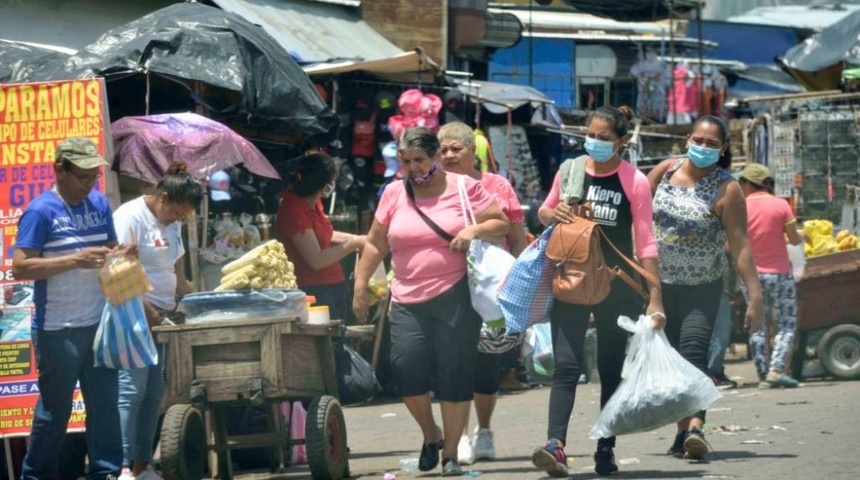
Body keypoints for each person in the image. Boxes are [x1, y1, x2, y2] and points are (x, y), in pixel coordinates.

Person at [352, 127, 509, 476]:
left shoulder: (465, 188)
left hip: (455, 294)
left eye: (419, 160)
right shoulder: (393, 193)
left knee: (454, 373)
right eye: (405, 161)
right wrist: (360, 283)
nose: (412, 167)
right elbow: (376, 243)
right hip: (406, 296)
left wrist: (472, 230)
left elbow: (500, 222)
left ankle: (451, 453)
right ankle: (430, 433)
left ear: (435, 156)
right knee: (406, 368)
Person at [533, 106, 664, 477]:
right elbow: (543, 211)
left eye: (604, 138)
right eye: (590, 134)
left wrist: (655, 299)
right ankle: (554, 445)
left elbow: (647, 243)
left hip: (616, 285)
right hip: (571, 279)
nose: (594, 142)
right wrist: (552, 213)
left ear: (621, 142)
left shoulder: (633, 181)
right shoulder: (571, 170)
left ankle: (605, 449)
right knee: (567, 365)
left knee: (609, 369)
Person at [648, 115, 764, 460]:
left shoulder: (727, 188)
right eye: (698, 140)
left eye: (712, 144)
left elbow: (740, 245)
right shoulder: (665, 170)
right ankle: (682, 433)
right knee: (670, 365)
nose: (703, 147)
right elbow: (637, 211)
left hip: (703, 287)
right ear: (686, 139)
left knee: (694, 357)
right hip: (658, 288)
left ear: (724, 148)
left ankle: (696, 426)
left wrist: (755, 296)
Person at [12, 137, 126, 480]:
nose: (90, 183)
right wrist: (75, 260)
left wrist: (124, 254)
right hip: (57, 330)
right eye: (83, 176)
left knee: (105, 407)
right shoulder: (41, 211)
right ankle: (36, 475)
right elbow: (21, 267)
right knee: (54, 412)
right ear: (59, 170)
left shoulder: (99, 204)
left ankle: (105, 472)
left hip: (98, 323)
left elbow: (110, 250)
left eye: (94, 176)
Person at [437, 122, 528, 466]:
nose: (448, 155)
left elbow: (516, 236)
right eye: (443, 150)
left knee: (488, 359)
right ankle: (459, 435)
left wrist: (520, 283)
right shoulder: (434, 187)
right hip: (450, 283)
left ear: (471, 151)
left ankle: (484, 430)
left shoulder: (497, 186)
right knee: (456, 359)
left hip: (492, 286)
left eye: (455, 149)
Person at [113, 162, 202, 480]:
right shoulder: (129, 216)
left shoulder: (173, 222)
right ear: (162, 197)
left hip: (164, 317)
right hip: (133, 314)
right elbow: (119, 270)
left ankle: (142, 465)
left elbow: (177, 269)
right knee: (131, 390)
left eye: (183, 216)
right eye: (176, 212)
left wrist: (188, 299)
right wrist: (148, 311)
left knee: (154, 391)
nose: (178, 219)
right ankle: (121, 466)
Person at [276, 152, 366, 321]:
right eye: (332, 180)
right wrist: (355, 243)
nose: (333, 185)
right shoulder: (293, 210)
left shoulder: (314, 202)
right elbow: (316, 260)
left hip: (333, 285)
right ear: (323, 184)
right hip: (314, 290)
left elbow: (326, 234)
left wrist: (360, 239)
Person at [737, 163, 803, 388]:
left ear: (747, 183)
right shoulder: (780, 205)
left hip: (751, 278)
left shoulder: (740, 208)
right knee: (786, 322)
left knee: (757, 324)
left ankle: (764, 374)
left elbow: (731, 244)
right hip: (780, 275)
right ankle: (776, 369)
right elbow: (794, 240)